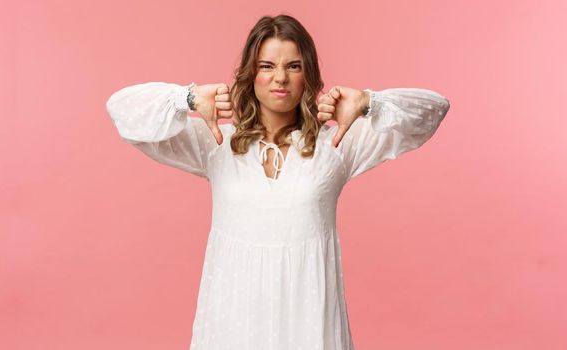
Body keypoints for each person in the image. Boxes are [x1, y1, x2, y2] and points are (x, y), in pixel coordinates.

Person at [105, 14, 450, 350]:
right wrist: (188, 99)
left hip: (310, 323)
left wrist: (368, 104)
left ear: (308, 76)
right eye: (267, 66)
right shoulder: (216, 143)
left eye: (294, 66)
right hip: (232, 323)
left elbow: (433, 110)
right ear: (251, 74)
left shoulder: (337, 145)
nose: (280, 78)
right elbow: (121, 110)